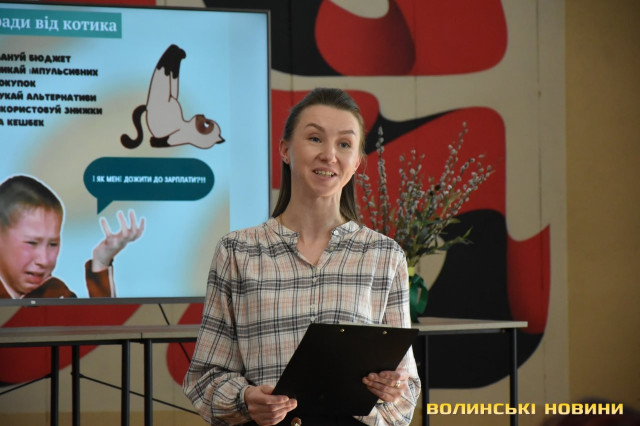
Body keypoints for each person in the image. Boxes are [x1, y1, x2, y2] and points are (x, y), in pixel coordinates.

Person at [183, 88, 420, 425]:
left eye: (344, 144)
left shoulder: (384, 256)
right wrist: (246, 399)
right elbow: (205, 378)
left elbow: (406, 393)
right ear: (285, 150)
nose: (329, 155)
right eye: (314, 138)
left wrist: (390, 390)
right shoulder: (237, 251)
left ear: (356, 162)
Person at [0, 174, 144, 299]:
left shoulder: (55, 293)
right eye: (32, 243)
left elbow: (102, 322)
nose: (44, 261)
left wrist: (101, 262)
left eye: (53, 244)